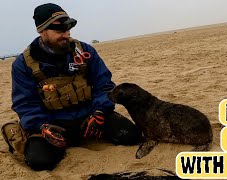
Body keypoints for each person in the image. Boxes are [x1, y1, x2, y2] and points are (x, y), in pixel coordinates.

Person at [7, 3, 142, 171]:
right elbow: (24, 104)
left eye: (68, 29)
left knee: (132, 136)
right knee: (39, 162)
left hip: (90, 117)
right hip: (53, 125)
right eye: (59, 31)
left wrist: (100, 112)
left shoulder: (85, 51)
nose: (66, 35)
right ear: (42, 31)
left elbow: (105, 86)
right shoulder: (23, 64)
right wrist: (42, 126)